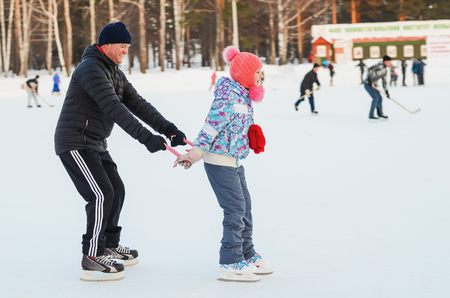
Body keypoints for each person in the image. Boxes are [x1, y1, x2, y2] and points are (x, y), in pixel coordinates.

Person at [54, 22, 187, 282]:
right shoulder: (90, 69)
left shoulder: (113, 72)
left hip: (94, 142)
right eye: (122, 47)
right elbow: (114, 108)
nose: (125, 52)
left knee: (116, 189)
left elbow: (137, 104)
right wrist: (147, 138)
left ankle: (108, 245)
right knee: (101, 193)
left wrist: (168, 128)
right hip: (74, 142)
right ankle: (92, 256)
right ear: (106, 45)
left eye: (127, 48)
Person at [175, 46, 272, 283]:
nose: (261, 76)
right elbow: (211, 126)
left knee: (245, 207)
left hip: (233, 160)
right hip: (219, 161)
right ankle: (231, 261)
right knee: (235, 209)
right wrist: (196, 153)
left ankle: (246, 254)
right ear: (246, 73)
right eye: (258, 72)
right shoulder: (229, 95)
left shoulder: (243, 95)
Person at [364, 55, 391, 120]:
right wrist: (370, 80)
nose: (390, 63)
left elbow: (384, 81)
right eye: (388, 61)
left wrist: (386, 91)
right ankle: (371, 114)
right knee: (375, 98)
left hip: (374, 85)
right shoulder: (379, 66)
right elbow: (369, 69)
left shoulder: (385, 70)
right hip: (368, 83)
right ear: (385, 61)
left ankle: (380, 113)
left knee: (380, 98)